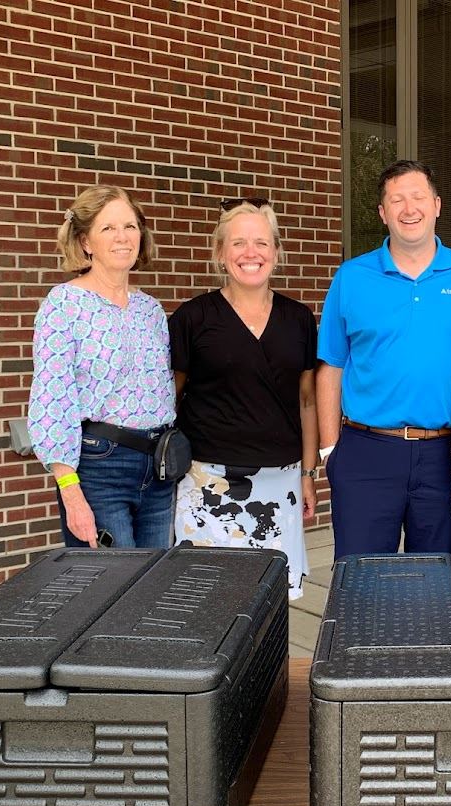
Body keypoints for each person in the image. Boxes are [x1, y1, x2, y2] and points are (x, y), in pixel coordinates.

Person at [316, 159, 451, 559]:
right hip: (366, 451)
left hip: (446, 454)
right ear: (383, 213)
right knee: (361, 577)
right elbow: (331, 364)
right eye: (396, 200)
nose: (408, 208)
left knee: (438, 581)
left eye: (418, 197)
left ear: (436, 205)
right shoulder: (351, 277)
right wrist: (331, 451)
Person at [169, 199, 318, 600]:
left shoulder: (300, 319)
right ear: (220, 253)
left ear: (276, 253)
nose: (250, 253)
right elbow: (172, 397)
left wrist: (307, 474)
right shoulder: (192, 318)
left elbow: (306, 401)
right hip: (206, 482)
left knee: (268, 600)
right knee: (206, 596)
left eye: (261, 243)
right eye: (238, 244)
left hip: (279, 482)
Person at [29, 186, 175, 549]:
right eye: (108, 228)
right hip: (100, 466)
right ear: (85, 242)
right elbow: (52, 399)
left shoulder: (150, 310)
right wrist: (70, 492)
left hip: (158, 466)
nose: (123, 237)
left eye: (130, 226)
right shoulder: (64, 304)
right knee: (112, 589)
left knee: (155, 587)